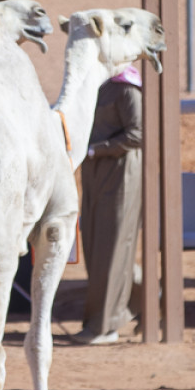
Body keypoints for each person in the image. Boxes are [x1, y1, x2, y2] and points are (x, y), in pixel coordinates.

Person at [74, 64, 144, 345]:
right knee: (96, 248)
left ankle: (105, 326)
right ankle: (152, 301)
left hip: (120, 175)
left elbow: (137, 133)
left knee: (112, 249)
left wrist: (95, 150)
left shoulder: (127, 88)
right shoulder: (96, 84)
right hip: (94, 176)